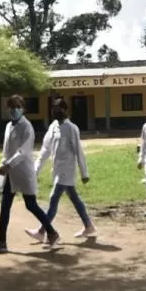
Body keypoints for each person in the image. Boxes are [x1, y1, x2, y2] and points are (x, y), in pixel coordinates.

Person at [0, 95, 59, 253]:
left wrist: (8, 165)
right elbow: (6, 150)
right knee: (5, 205)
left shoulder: (27, 127)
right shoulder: (8, 126)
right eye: (11, 107)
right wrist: (3, 166)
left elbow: (23, 151)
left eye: (18, 107)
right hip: (10, 173)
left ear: (23, 109)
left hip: (23, 171)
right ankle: (1, 241)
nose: (14, 110)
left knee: (30, 204)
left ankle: (51, 232)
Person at [29, 99, 96, 241]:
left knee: (53, 198)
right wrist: (35, 170)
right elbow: (45, 150)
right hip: (57, 170)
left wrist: (84, 173)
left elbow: (79, 151)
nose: (56, 111)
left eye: (59, 108)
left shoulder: (71, 128)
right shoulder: (53, 126)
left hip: (67, 170)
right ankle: (88, 225)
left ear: (66, 110)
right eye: (54, 108)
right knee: (75, 199)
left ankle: (42, 231)